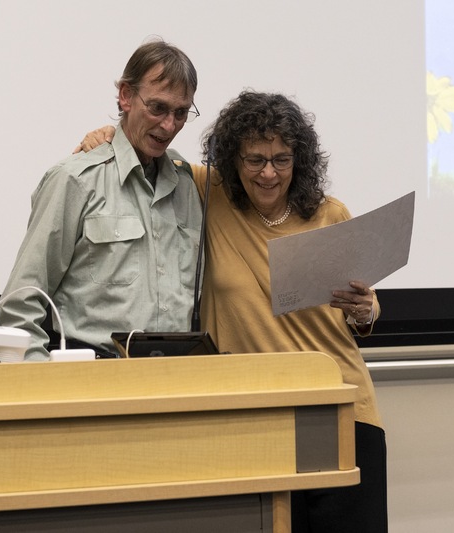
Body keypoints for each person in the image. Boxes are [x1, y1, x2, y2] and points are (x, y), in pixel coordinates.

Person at [78, 90, 388, 532]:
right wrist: (110, 134)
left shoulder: (329, 214)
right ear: (232, 159)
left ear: (299, 160)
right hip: (254, 413)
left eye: (281, 160)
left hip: (338, 406)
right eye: (255, 159)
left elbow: (362, 309)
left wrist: (367, 309)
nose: (268, 173)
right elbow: (148, 151)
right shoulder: (208, 194)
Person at [0, 38, 203, 360]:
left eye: (180, 112)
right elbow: (20, 304)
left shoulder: (188, 184)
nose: (169, 125)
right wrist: (42, 378)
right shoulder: (75, 180)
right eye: (158, 108)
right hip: (93, 373)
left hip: (176, 375)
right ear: (126, 96)